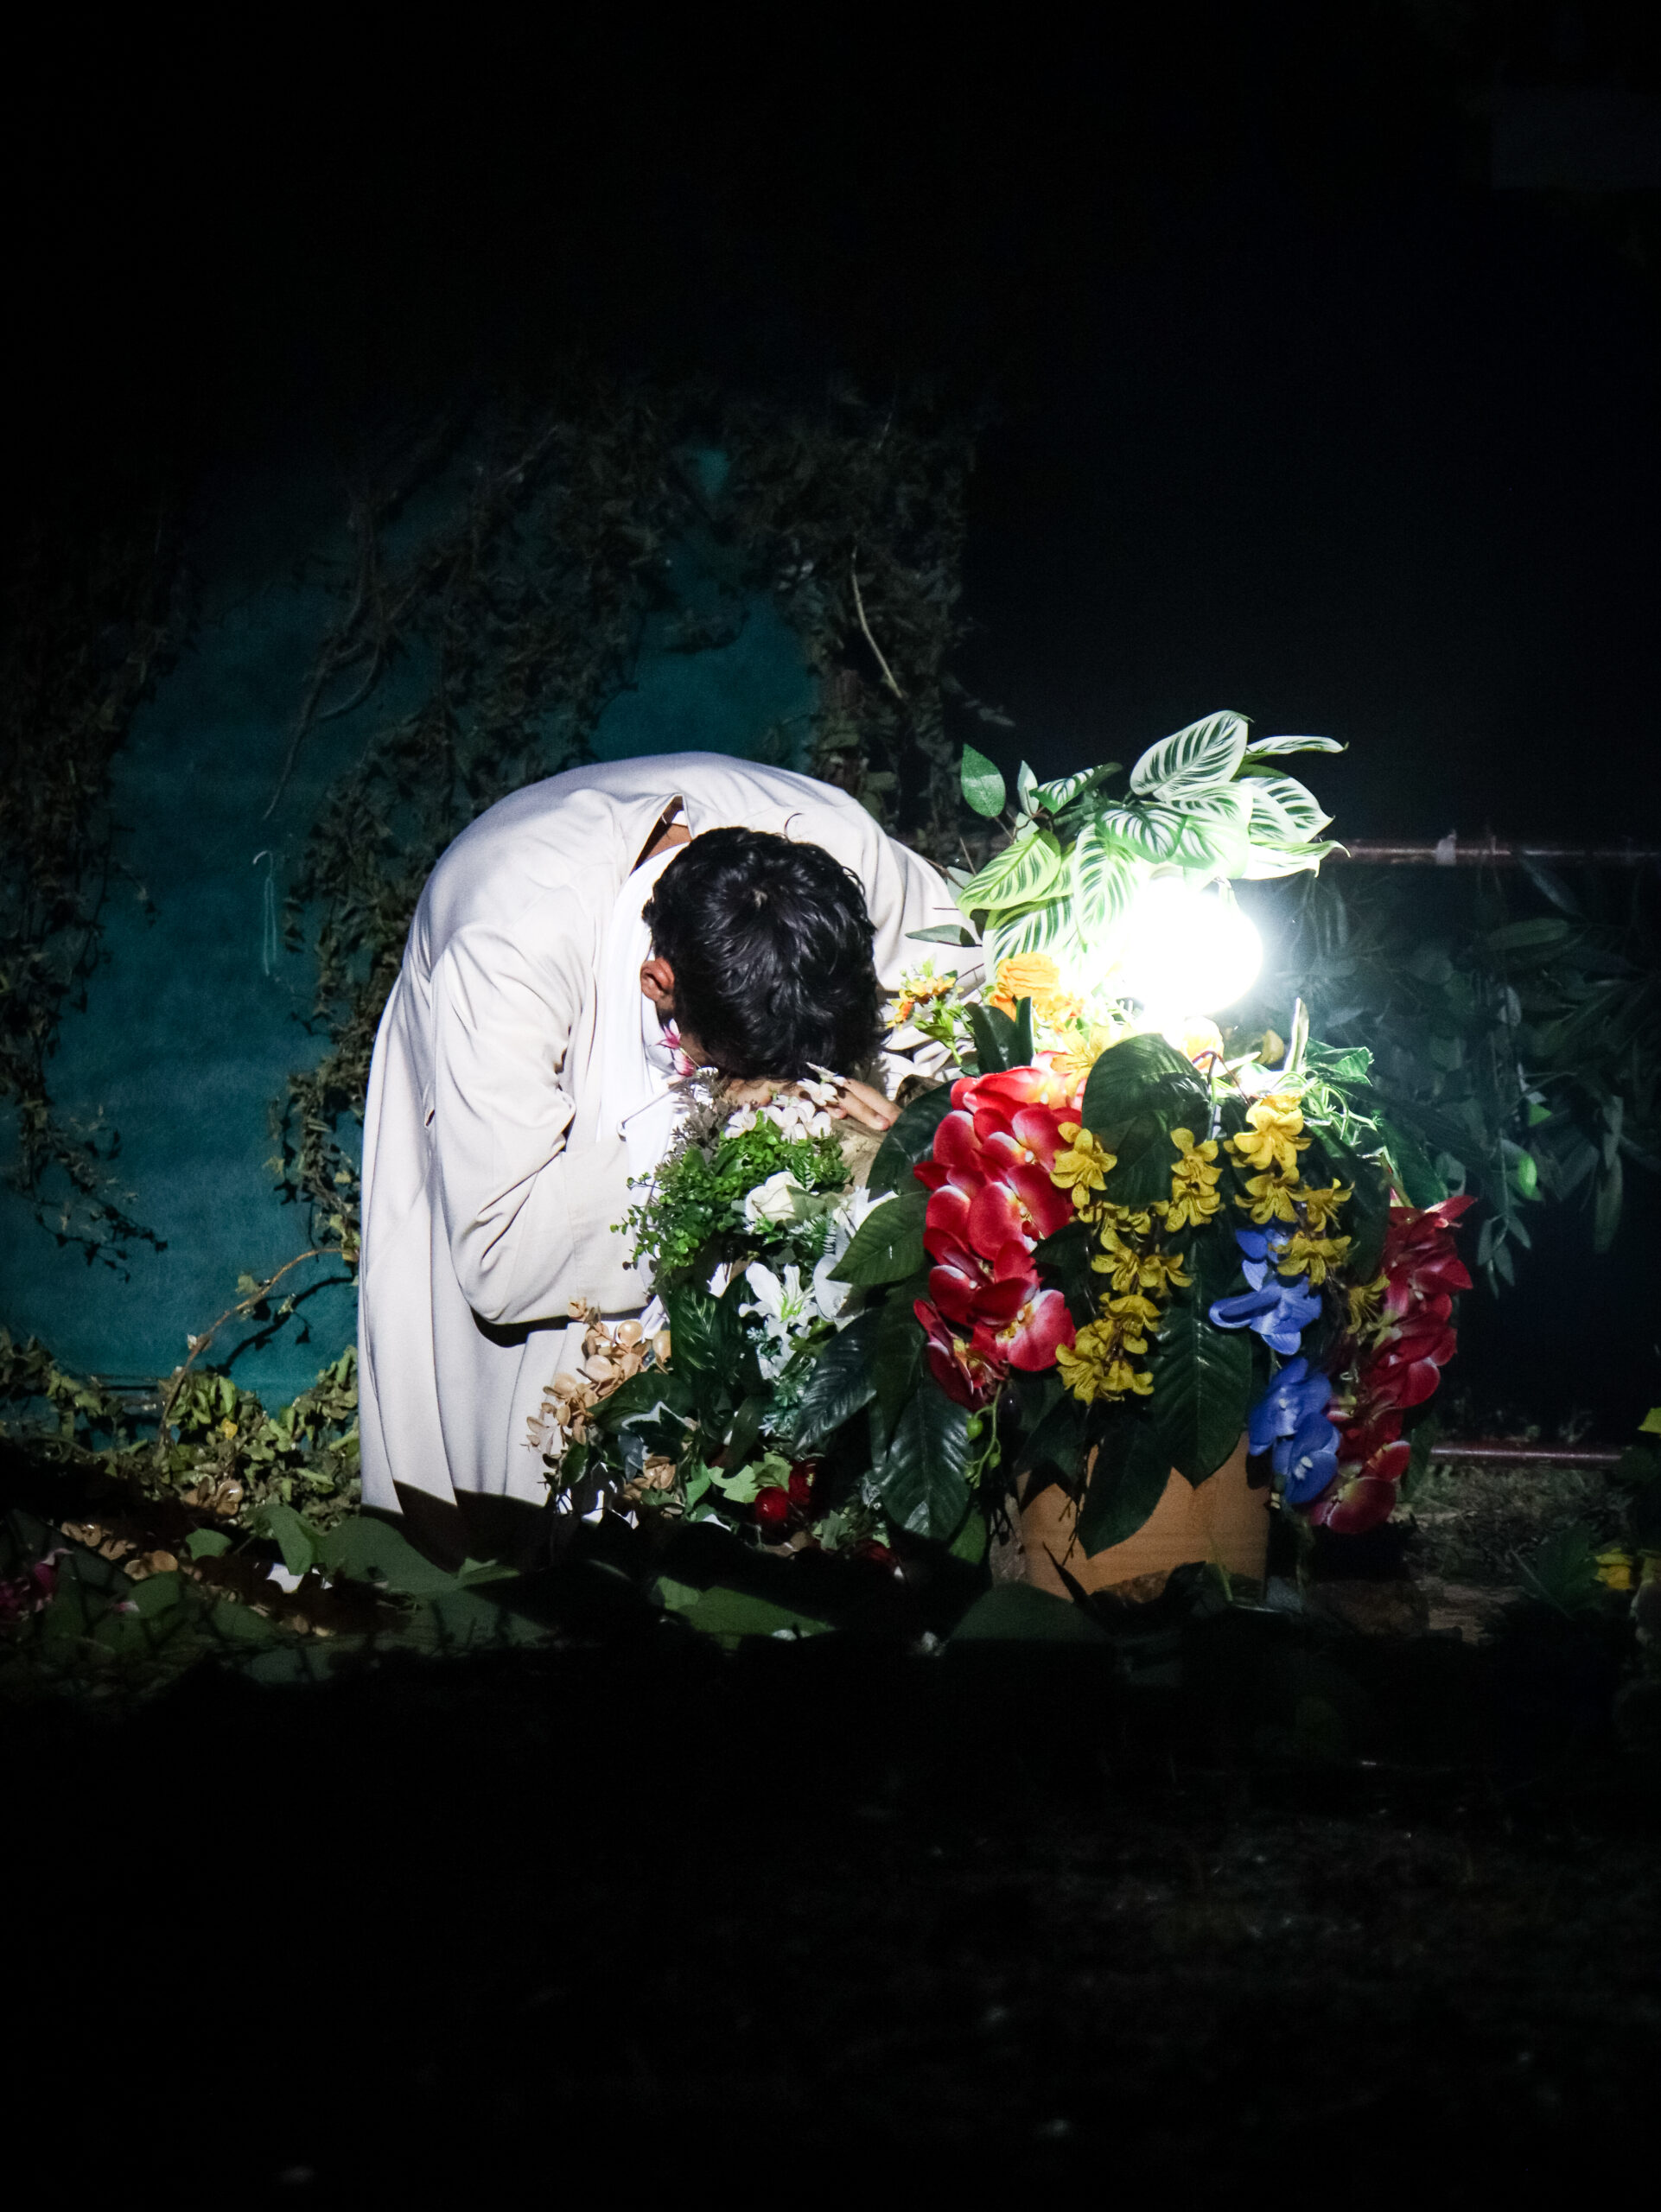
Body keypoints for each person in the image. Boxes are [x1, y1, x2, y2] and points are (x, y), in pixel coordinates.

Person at [356, 751, 957, 1556]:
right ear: (657, 981)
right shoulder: (506, 950)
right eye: (747, 1064)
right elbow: (501, 1253)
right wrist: (730, 1135)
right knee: (524, 1471)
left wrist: (910, 1116)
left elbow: (955, 1004)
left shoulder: (843, 853)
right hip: (508, 1095)